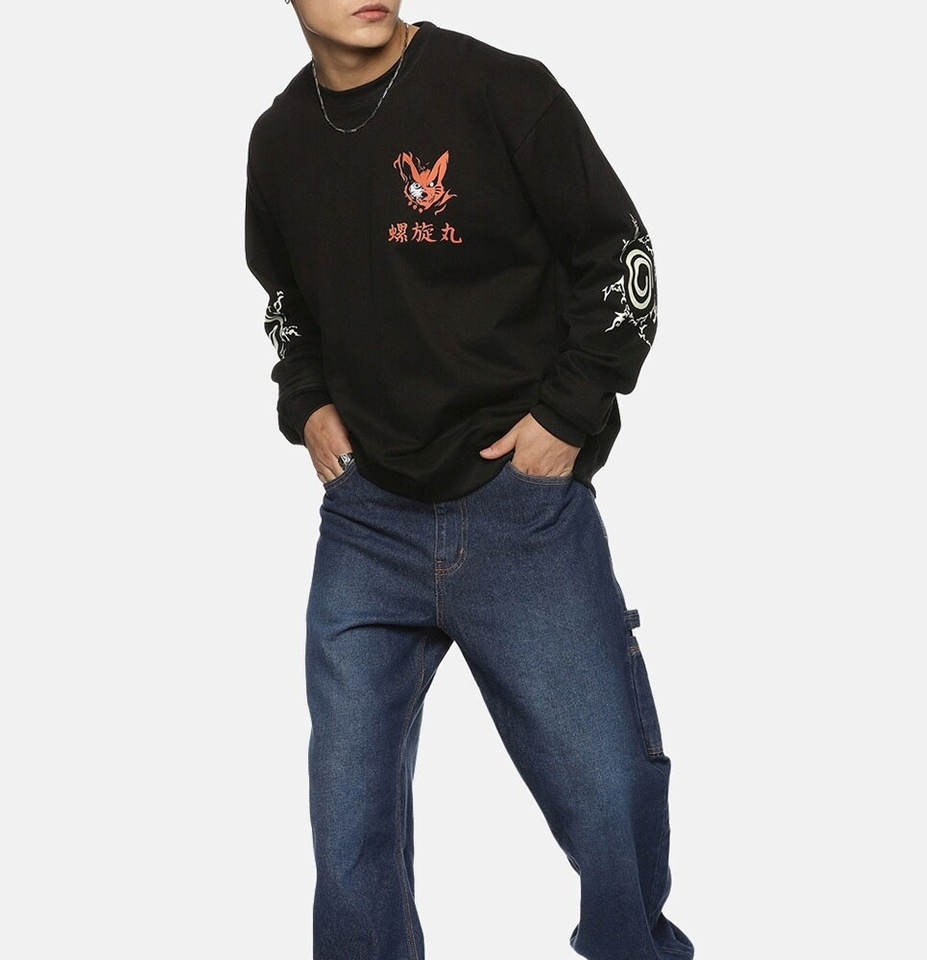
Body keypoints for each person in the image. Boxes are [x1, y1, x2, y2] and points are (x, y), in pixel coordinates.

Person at [244, 3, 693, 958]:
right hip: (368, 525)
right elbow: (285, 302)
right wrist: (307, 400)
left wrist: (567, 418)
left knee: (610, 795)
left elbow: (621, 258)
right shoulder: (279, 141)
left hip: (517, 514)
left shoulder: (501, 92)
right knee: (348, 829)